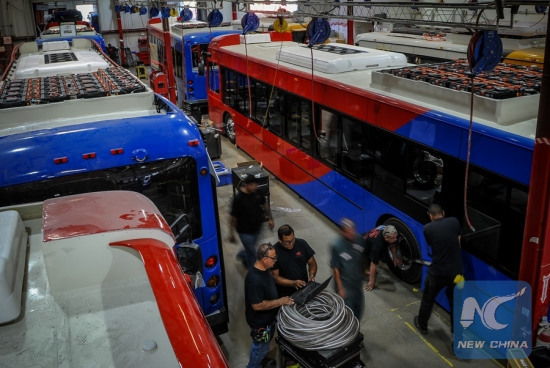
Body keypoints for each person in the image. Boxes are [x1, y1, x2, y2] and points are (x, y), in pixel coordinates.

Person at [414, 203, 463, 335]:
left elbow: (434, 246)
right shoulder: (454, 222)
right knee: (456, 304)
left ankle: (422, 324)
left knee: (428, 299)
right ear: (443, 213)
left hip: (438, 272)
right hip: (456, 273)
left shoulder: (427, 228)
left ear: (430, 216)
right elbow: (458, 244)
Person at [245, 243, 294, 368]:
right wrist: (280, 301)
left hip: (269, 320)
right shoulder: (254, 280)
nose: (276, 260)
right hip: (261, 324)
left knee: (264, 346)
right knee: (259, 349)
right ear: (264, 259)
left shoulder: (265, 269)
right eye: (273, 258)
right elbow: (257, 305)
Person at [229, 175, 274, 268]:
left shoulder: (257, 192)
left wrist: (270, 218)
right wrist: (231, 233)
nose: (255, 187)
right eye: (252, 185)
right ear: (246, 185)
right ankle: (254, 271)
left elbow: (265, 205)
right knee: (252, 254)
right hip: (245, 232)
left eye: (256, 185)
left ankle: (242, 255)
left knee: (251, 248)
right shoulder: (238, 199)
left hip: (257, 227)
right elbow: (233, 218)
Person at [330, 218, 365, 320]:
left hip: (357, 283)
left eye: (352, 231)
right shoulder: (337, 246)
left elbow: (362, 257)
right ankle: (348, 332)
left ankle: (356, 327)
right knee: (348, 312)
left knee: (358, 308)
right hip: (345, 285)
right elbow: (335, 268)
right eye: (348, 233)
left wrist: (364, 273)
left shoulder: (359, 240)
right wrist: (340, 288)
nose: (351, 234)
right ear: (343, 232)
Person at [272, 224, 318, 297]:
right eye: (287, 242)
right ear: (279, 240)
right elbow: (276, 277)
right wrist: (293, 283)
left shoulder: (302, 244)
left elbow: (312, 263)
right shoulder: (274, 252)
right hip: (285, 294)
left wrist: (311, 275)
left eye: (292, 240)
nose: (291, 244)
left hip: (304, 288)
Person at [362, 224, 403, 291]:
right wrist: (372, 283)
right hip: (363, 245)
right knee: (367, 262)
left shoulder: (388, 229)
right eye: (393, 238)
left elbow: (393, 245)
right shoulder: (377, 245)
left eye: (396, 237)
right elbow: (373, 264)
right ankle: (366, 269)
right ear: (386, 238)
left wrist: (395, 257)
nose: (396, 239)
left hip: (371, 241)